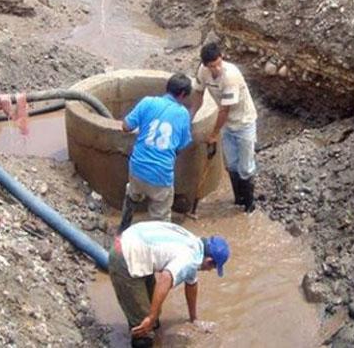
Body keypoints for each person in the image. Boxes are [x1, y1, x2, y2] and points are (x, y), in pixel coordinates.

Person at [110, 221, 230, 348]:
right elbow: (165, 279)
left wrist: (194, 319)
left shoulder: (195, 244)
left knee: (155, 319)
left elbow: (192, 285)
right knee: (144, 329)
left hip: (135, 245)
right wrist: (150, 317)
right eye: (212, 267)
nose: (209, 270)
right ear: (209, 261)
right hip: (124, 256)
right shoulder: (189, 259)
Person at [119, 74, 195, 232]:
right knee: (161, 216)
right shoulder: (183, 114)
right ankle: (156, 243)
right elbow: (181, 145)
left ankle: (123, 229)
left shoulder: (148, 102)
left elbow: (126, 126)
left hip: (137, 166)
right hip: (161, 175)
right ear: (182, 94)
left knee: (132, 193)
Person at [194, 42, 258, 212]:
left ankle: (249, 205)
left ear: (221, 58)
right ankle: (238, 200)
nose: (216, 69)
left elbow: (224, 110)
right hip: (227, 126)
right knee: (232, 164)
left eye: (218, 64)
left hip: (244, 122)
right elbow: (198, 94)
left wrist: (214, 134)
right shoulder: (202, 71)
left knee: (245, 167)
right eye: (212, 66)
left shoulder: (230, 76)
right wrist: (191, 118)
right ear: (205, 65)